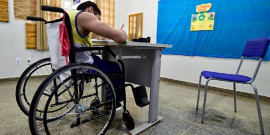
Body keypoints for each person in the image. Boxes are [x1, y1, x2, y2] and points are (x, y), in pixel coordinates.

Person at [68, 1, 127, 103]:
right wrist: (121, 32)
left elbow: (91, 35)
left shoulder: (69, 16)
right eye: (98, 19)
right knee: (115, 66)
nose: (97, 21)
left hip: (68, 62)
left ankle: (109, 98)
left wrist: (105, 33)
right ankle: (112, 101)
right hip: (83, 65)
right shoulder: (84, 15)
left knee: (99, 59)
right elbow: (120, 37)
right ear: (91, 9)